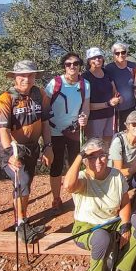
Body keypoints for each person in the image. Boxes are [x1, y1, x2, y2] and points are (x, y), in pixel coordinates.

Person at [63, 137, 136, 271]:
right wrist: (81, 155)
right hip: (87, 227)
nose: (98, 161)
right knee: (102, 238)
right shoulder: (83, 178)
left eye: (102, 155)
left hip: (113, 221)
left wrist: (125, 225)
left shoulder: (116, 175)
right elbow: (68, 186)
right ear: (85, 160)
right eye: (92, 157)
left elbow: (124, 201)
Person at [0, 60, 53, 244]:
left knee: (26, 183)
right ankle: (20, 224)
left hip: (33, 148)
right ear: (14, 77)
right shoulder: (6, 98)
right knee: (23, 181)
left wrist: (48, 146)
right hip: (11, 149)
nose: (26, 79)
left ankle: (23, 219)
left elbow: (45, 123)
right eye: (22, 75)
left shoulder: (40, 94)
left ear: (35, 76)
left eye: (30, 75)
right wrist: (10, 154)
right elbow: (3, 130)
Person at [44, 52, 90, 210]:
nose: (72, 67)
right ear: (64, 66)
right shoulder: (55, 83)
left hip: (74, 131)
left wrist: (84, 117)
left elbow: (85, 107)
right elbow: (45, 106)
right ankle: (56, 199)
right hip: (54, 131)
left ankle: (77, 197)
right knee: (56, 166)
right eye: (68, 64)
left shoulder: (85, 85)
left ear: (79, 66)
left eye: (76, 63)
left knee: (75, 164)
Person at [83, 47, 121, 147]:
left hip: (109, 115)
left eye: (99, 57)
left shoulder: (107, 73)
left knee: (108, 145)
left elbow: (114, 91)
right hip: (94, 118)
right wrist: (108, 104)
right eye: (94, 58)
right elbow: (85, 105)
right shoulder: (85, 77)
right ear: (88, 61)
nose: (97, 60)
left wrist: (118, 97)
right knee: (95, 146)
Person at [104, 42, 136, 130]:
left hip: (131, 107)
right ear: (113, 55)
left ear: (126, 53)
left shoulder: (133, 66)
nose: (120, 55)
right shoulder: (109, 68)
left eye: (123, 52)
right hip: (115, 109)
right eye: (117, 53)